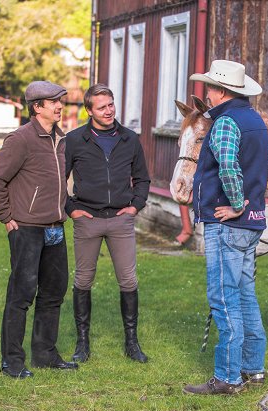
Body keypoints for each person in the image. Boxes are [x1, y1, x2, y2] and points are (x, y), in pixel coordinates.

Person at [183, 60, 268, 395]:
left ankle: (228, 377)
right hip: (252, 223)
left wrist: (235, 204)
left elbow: (229, 167)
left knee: (224, 296)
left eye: (209, 87)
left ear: (220, 91)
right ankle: (253, 368)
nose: (207, 92)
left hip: (228, 223)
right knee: (245, 293)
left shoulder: (225, 122)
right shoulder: (255, 120)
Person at [0, 80, 78, 378]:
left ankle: (45, 354)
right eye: (53, 102)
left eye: (60, 100)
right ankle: (11, 362)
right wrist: (6, 217)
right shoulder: (21, 139)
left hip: (55, 229)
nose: (59, 105)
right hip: (26, 229)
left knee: (53, 293)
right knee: (21, 294)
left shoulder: (59, 139)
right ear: (37, 107)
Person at [65, 84, 151, 364]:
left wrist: (135, 206)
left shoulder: (129, 139)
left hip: (120, 221)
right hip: (87, 219)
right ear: (89, 111)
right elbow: (57, 180)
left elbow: (142, 179)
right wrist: (71, 209)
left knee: (128, 281)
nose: (109, 110)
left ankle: (132, 343)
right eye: (101, 107)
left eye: (111, 104)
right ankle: (82, 343)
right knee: (83, 280)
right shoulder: (75, 140)